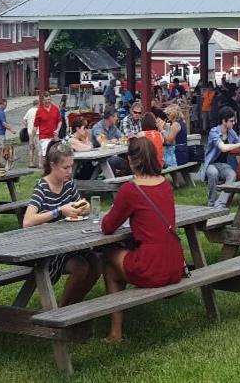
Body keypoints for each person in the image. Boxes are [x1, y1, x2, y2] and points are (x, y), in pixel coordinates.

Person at [100, 137, 185, 343]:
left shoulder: (131, 190)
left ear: (131, 160)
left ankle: (115, 332)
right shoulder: (165, 184)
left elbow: (108, 227)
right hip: (175, 263)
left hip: (152, 265)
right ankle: (115, 331)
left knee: (108, 260)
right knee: (124, 255)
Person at [22, 141, 100, 306]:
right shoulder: (42, 187)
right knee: (81, 267)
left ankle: (75, 303)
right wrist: (59, 211)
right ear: (52, 165)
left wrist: (84, 207)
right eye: (65, 167)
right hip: (48, 249)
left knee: (97, 262)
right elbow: (27, 221)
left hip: (69, 243)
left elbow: (81, 204)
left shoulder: (69, 184)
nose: (70, 171)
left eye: (71, 166)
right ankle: (63, 309)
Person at [199, 107, 240, 209]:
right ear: (223, 121)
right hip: (211, 164)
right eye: (231, 121)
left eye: (234, 120)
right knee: (213, 173)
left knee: (232, 175)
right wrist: (239, 145)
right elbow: (223, 148)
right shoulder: (214, 132)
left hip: (224, 165)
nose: (233, 123)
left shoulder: (231, 132)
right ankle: (211, 202)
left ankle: (221, 203)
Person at [34, 91, 63, 164]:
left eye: (48, 100)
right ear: (42, 101)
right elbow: (35, 126)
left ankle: (54, 171)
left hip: (54, 136)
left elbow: (60, 121)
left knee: (56, 154)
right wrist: (32, 138)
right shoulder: (39, 111)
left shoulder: (55, 109)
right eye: (45, 100)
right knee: (45, 155)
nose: (47, 102)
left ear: (51, 100)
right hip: (44, 136)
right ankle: (45, 170)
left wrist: (58, 130)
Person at [0, 99, 16, 165]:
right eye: (4, 105)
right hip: (0, 132)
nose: (5, 107)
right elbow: (4, 123)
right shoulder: (1, 112)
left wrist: (8, 125)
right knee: (0, 147)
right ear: (1, 104)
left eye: (6, 105)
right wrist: (11, 130)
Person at [23, 100, 40, 169]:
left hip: (30, 132)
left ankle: (31, 162)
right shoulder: (39, 111)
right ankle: (38, 163)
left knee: (31, 148)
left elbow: (24, 120)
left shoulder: (29, 111)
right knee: (39, 149)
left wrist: (27, 126)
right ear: (38, 104)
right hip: (37, 132)